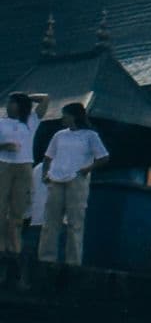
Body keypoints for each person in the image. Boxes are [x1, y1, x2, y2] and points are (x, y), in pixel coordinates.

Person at [38, 101, 108, 274]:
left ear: (74, 116)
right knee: (50, 221)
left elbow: (103, 157)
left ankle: (73, 262)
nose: (63, 118)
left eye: (66, 115)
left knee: (75, 222)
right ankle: (46, 258)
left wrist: (87, 169)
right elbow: (48, 157)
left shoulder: (90, 136)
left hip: (77, 178)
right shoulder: (59, 135)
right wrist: (45, 174)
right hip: (57, 178)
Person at [0, 91, 34, 283]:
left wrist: (28, 98)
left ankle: (15, 247)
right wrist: (4, 146)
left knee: (17, 211)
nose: (9, 106)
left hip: (24, 164)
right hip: (3, 163)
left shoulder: (30, 122)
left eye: (13, 103)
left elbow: (45, 99)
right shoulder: (1, 122)